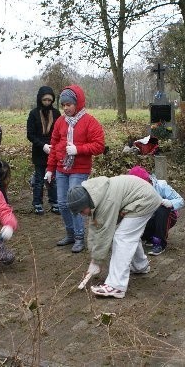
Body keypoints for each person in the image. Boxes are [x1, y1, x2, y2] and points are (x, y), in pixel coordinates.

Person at [67, 175, 162, 298]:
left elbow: (104, 234)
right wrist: (94, 258)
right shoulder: (94, 195)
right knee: (129, 234)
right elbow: (95, 228)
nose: (82, 215)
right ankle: (140, 266)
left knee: (122, 237)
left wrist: (97, 261)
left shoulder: (106, 202)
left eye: (81, 211)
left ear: (86, 203)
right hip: (139, 197)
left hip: (144, 200)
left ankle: (116, 286)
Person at [45, 85, 105, 253]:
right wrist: (50, 169)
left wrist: (78, 149)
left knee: (74, 203)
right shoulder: (60, 122)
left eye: (69, 104)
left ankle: (79, 237)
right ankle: (70, 234)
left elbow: (99, 145)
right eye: (63, 105)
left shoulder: (89, 121)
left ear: (77, 103)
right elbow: (55, 145)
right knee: (62, 204)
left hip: (79, 169)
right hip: (61, 168)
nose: (66, 108)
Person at [127, 165, 184, 256]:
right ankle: (148, 237)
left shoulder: (161, 186)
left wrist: (170, 203)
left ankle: (159, 243)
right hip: (147, 217)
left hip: (165, 216)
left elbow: (180, 201)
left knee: (162, 208)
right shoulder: (132, 191)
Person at [26, 86, 61, 215]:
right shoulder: (34, 113)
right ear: (40, 99)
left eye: (49, 100)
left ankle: (54, 202)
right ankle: (37, 203)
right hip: (39, 151)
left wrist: (53, 146)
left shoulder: (56, 113)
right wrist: (42, 145)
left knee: (52, 178)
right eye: (45, 100)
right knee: (39, 178)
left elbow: (60, 132)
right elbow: (30, 134)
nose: (47, 102)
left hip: (53, 150)